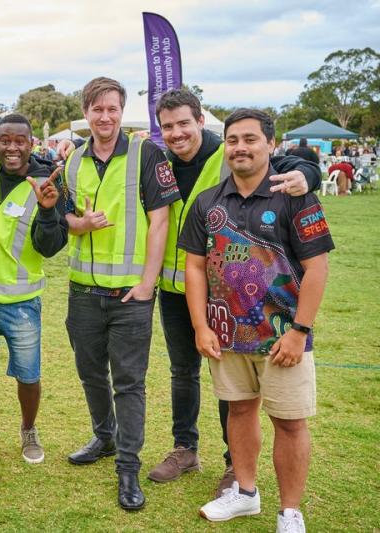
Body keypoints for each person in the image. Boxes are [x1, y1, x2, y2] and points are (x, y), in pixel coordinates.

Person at [145, 88, 322, 496]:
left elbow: (286, 162)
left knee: (235, 386)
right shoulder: (160, 162)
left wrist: (308, 175)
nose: (176, 134)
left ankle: (233, 464)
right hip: (178, 287)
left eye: (183, 124)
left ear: (200, 122)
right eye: (168, 127)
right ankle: (184, 448)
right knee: (183, 371)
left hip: (233, 293)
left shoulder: (228, 152)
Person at [179, 108, 333, 532]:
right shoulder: (208, 202)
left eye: (250, 139)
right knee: (239, 412)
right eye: (233, 140)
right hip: (226, 336)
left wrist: (300, 331)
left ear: (270, 144)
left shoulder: (295, 195)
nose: (240, 148)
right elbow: (194, 267)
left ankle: (290, 512)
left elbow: (317, 268)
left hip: (283, 338)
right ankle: (245, 493)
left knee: (289, 421)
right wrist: (201, 326)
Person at [60, 77, 178, 511]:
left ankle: (128, 468)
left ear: (121, 111)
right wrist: (80, 224)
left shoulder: (147, 155)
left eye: (112, 109)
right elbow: (64, 220)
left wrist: (148, 283)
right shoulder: (73, 159)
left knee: (129, 383)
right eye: (97, 109)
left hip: (131, 294)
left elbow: (161, 221)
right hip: (84, 291)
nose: (105, 117)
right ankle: (104, 437)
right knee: (90, 372)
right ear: (86, 113)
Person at [0, 113, 67, 469]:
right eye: (5, 140)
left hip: (20, 302)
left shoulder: (46, 181)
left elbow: (50, 246)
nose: (11, 148)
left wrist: (50, 212)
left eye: (19, 141)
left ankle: (29, 430)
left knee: (29, 375)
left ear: (32, 142)